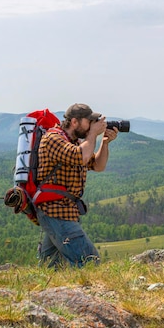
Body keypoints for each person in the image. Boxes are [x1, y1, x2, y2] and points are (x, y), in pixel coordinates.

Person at [35, 103, 118, 268]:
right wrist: (93, 134)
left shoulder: (75, 142)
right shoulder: (53, 138)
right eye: (89, 122)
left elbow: (98, 165)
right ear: (74, 122)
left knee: (52, 267)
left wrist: (105, 142)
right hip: (55, 211)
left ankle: (42, 292)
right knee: (89, 262)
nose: (91, 126)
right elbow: (80, 156)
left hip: (65, 211)